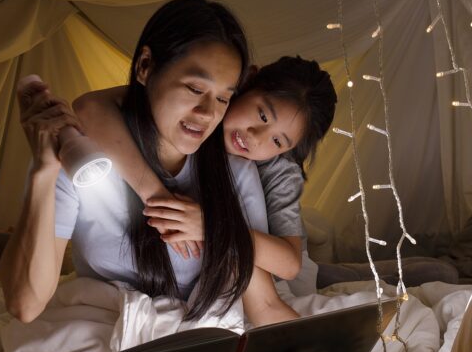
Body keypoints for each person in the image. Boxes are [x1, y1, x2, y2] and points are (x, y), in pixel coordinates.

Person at [0, 0, 298, 327]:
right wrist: (43, 172)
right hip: (102, 330)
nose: (207, 113)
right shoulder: (82, 162)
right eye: (194, 88)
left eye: (223, 98)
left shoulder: (234, 174)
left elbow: (265, 303)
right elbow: (25, 305)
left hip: (195, 343)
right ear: (144, 66)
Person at [73, 56, 338, 297]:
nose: (255, 137)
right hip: (229, 259)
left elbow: (290, 264)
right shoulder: (199, 109)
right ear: (244, 83)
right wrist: (157, 194)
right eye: (262, 115)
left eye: (278, 141)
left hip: (275, 268)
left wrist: (210, 227)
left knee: (333, 280)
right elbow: (90, 105)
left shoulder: (277, 168)